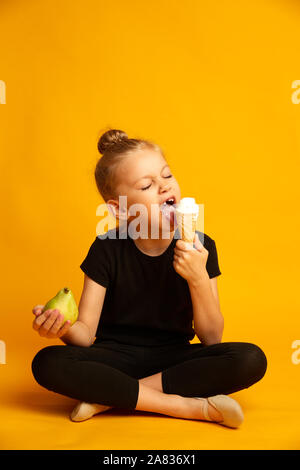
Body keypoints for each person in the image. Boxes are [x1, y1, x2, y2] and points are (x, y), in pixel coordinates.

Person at [31, 129, 267, 428]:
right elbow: (85, 335)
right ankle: (183, 406)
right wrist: (61, 328)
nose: (164, 187)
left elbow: (211, 338)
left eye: (167, 176)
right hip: (113, 356)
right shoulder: (107, 247)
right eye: (147, 185)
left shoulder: (201, 245)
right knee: (47, 362)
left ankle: (109, 396)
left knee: (249, 358)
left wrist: (197, 279)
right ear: (119, 209)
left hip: (175, 358)